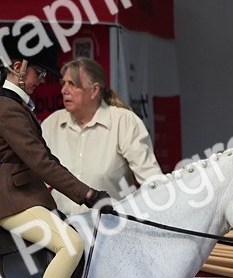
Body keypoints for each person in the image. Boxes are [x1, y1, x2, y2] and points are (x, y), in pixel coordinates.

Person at [0, 38, 109, 278]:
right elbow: (41, 162)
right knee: (71, 245)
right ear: (17, 67)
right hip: (11, 197)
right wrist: (87, 194)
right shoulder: (9, 108)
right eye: (38, 72)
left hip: (23, 192)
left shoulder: (16, 105)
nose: (42, 80)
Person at [42, 57, 164, 216]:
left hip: (110, 230)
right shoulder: (51, 124)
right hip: (61, 231)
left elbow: (151, 179)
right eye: (63, 83)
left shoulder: (123, 121)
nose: (64, 90)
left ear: (94, 90)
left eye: (72, 84)